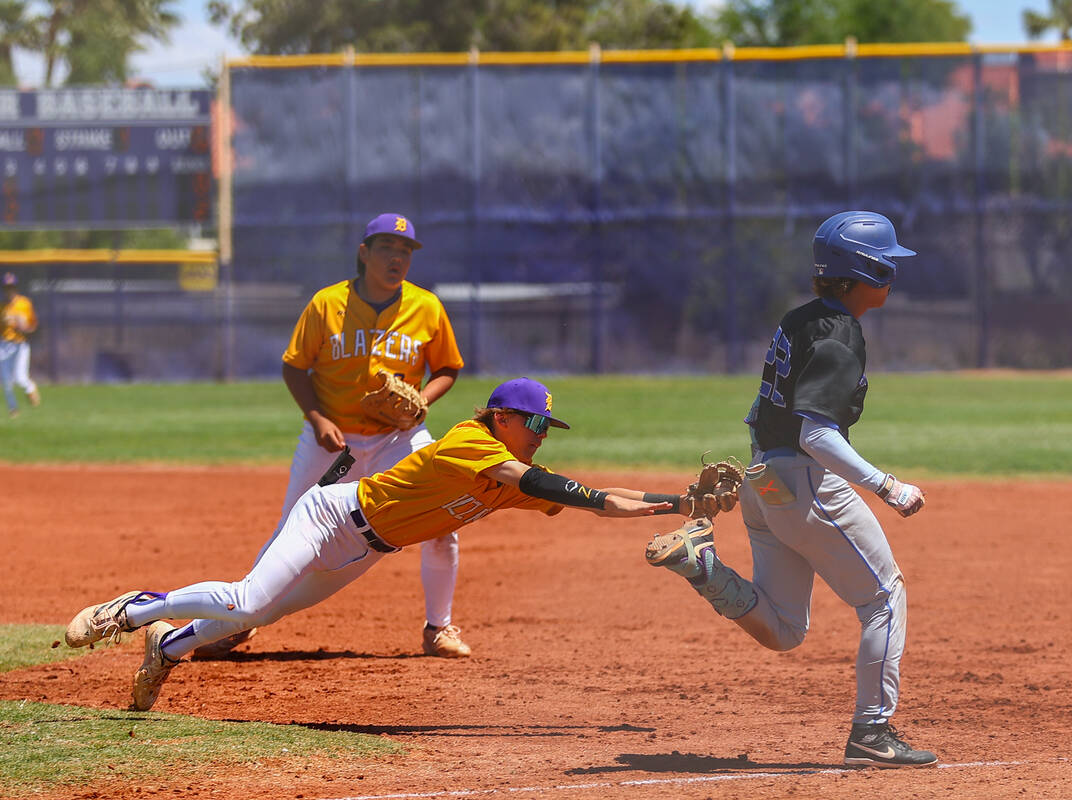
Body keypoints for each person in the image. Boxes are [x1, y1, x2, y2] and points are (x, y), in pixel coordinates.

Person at [65, 377, 696, 712]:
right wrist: (584, 490)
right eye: (534, 423)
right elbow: (544, 482)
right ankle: (129, 611)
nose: (541, 434)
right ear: (501, 417)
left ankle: (168, 646)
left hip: (364, 551)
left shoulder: (510, 478)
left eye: (547, 427)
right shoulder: (471, 442)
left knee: (265, 612)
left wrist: (682, 502)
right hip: (331, 516)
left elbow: (604, 500)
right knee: (248, 599)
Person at [645, 211, 938, 768]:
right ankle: (871, 733)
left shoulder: (799, 319)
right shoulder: (840, 335)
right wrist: (887, 487)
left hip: (765, 480)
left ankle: (704, 568)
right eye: (886, 265)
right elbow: (818, 434)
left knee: (783, 629)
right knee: (884, 599)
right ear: (865, 270)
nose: (893, 276)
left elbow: (762, 412)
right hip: (807, 483)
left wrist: (766, 471)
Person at [193, 213, 469, 660]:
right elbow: (294, 366)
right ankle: (236, 621)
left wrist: (421, 401)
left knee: (442, 524)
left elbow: (449, 368)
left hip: (399, 441)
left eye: (405, 251)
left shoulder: (427, 307)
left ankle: (438, 627)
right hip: (331, 441)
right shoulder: (326, 304)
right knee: (289, 533)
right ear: (364, 254)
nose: (397, 257)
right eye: (386, 248)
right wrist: (318, 419)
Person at [0, 272, 40, 418]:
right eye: (6, 287)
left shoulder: (24, 303)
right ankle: (13, 409)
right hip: (3, 345)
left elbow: (33, 325)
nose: (9, 290)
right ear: (3, 289)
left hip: (20, 344)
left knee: (20, 378)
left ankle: (30, 388)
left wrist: (24, 327)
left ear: (15, 287)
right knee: (5, 381)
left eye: (11, 287)